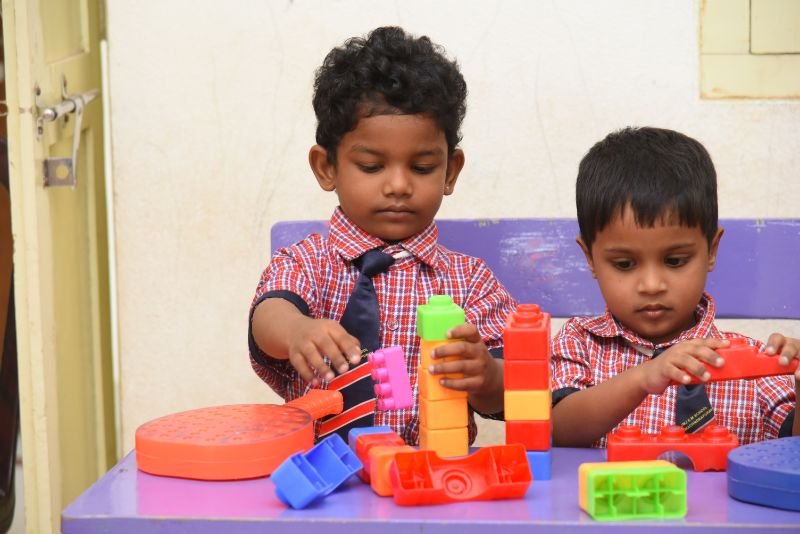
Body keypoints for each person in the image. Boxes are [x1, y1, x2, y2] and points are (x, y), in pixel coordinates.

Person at [248, 26, 516, 445]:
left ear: (450, 171)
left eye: (422, 168)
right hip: (325, 471)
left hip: (431, 471)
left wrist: (487, 375)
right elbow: (269, 315)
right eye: (372, 167)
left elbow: (514, 389)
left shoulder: (470, 282)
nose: (398, 186)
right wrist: (297, 329)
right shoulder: (308, 262)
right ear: (327, 168)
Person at [551, 126, 799, 447]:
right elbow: (557, 430)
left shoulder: (755, 365)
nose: (652, 285)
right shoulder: (578, 342)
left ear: (711, 251)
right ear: (590, 258)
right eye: (624, 264)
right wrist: (643, 378)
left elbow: (792, 451)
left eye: (675, 260)